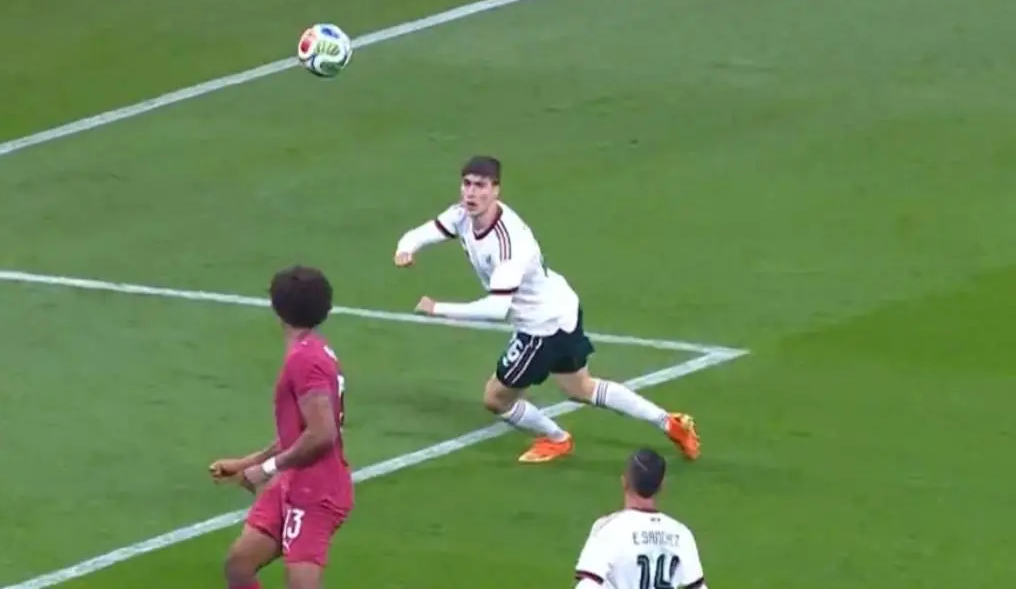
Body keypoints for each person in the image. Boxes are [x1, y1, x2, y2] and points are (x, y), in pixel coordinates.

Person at [394, 155, 700, 463]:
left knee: (496, 399)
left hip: (540, 327)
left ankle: (556, 439)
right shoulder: (462, 215)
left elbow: (498, 308)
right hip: (562, 305)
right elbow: (422, 232)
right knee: (581, 387)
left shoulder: (508, 243)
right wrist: (405, 249)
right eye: (467, 184)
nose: (472, 193)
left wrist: (439, 309)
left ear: (496, 190)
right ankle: (669, 423)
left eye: (481, 186)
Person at [209, 265, 352, 589]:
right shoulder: (312, 350)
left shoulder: (305, 360)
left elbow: (322, 434)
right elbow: (301, 432)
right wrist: (250, 462)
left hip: (317, 492)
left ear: (277, 308)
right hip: (295, 481)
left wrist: (266, 469)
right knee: (239, 566)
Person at [574, 448, 707, 589]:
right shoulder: (681, 533)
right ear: (661, 486)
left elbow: (588, 584)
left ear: (624, 481)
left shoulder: (609, 529)